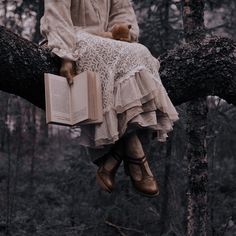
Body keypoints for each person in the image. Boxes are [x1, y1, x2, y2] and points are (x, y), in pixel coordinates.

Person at [40, 0, 179, 197]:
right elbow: (57, 16)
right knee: (104, 53)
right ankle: (136, 158)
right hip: (69, 38)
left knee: (142, 52)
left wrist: (122, 31)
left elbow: (123, 15)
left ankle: (113, 159)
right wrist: (66, 57)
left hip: (108, 42)